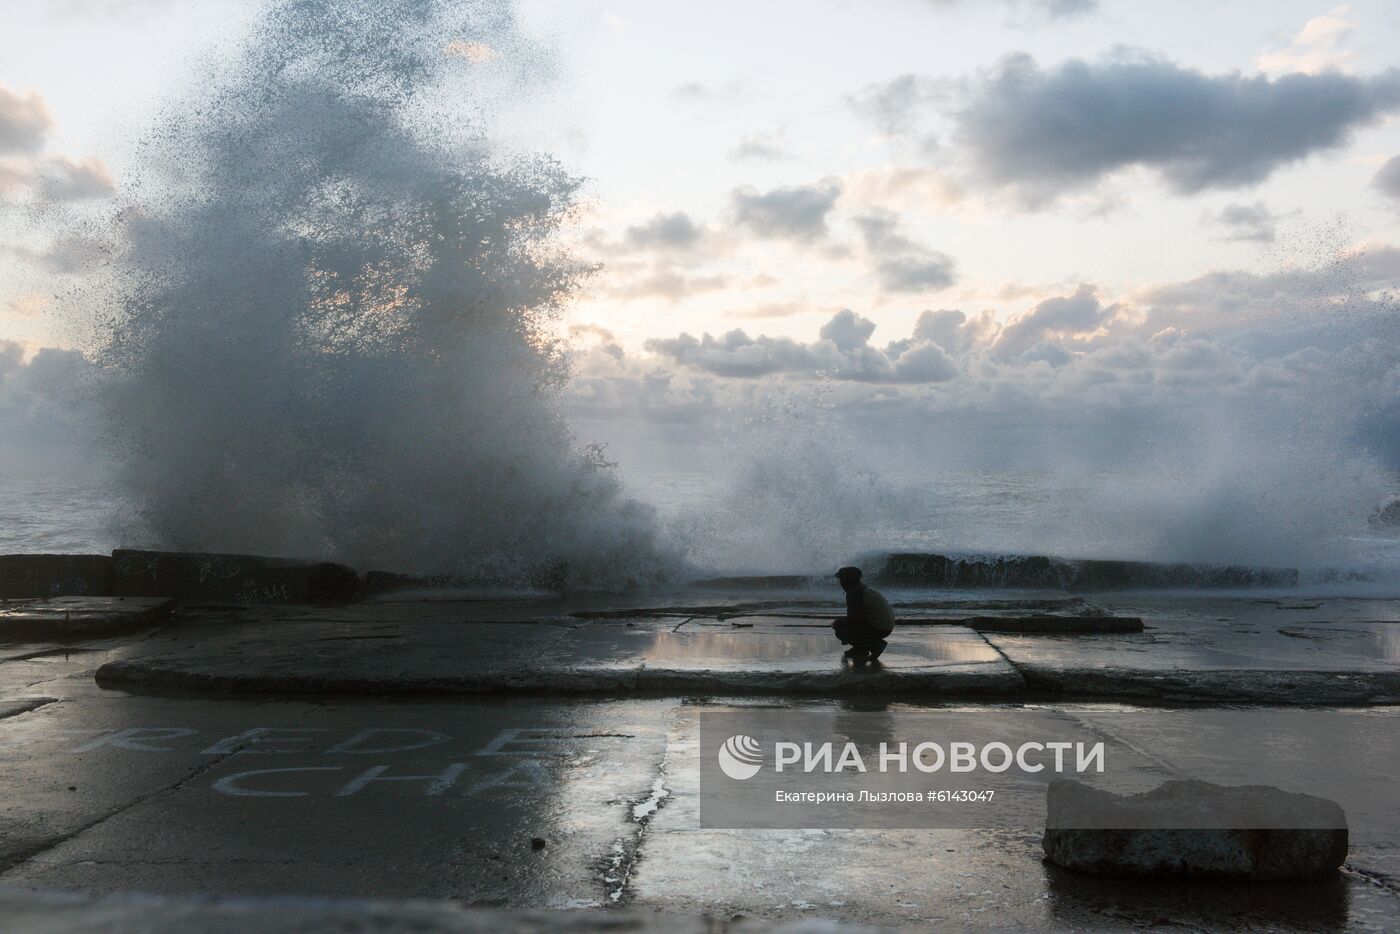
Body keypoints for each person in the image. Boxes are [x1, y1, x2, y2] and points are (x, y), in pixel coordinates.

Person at [831, 566, 894, 664]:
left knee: (840, 630)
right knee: (846, 625)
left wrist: (839, 622)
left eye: (841, 579)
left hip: (879, 628)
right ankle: (861, 649)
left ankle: (875, 645)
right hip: (885, 626)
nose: (840, 583)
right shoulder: (861, 588)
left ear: (846, 580)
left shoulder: (854, 592)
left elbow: (854, 618)